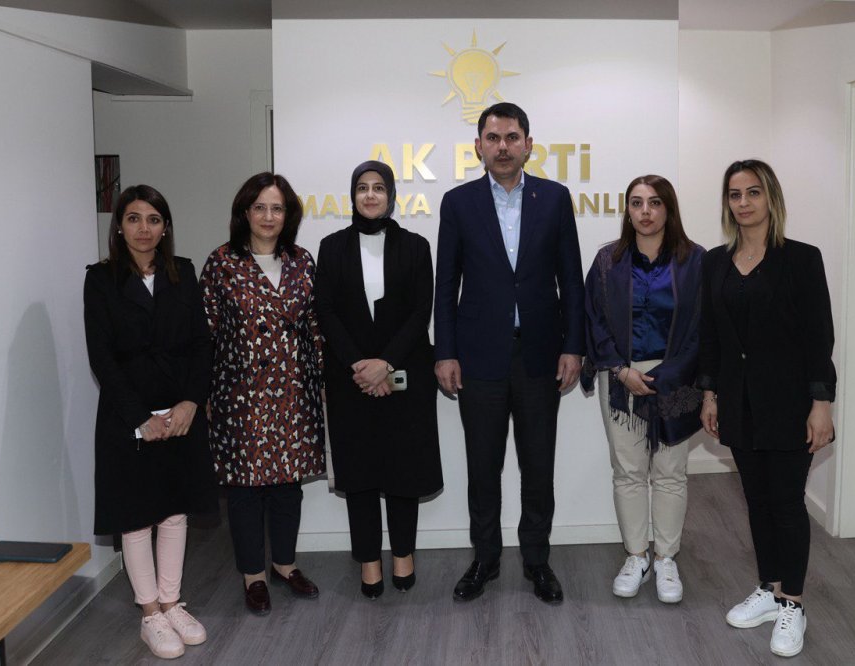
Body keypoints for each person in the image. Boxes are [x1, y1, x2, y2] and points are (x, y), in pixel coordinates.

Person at [434, 102, 585, 605]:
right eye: (493, 137)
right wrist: (445, 352)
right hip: (478, 359)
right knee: (483, 467)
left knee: (538, 467)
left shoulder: (555, 198)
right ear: (478, 145)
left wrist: (574, 346)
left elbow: (572, 280)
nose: (502, 146)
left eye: (512, 137)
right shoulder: (458, 203)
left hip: (541, 356)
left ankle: (537, 560)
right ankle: (485, 558)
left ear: (528, 145)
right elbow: (446, 284)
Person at [697, 159, 836, 658]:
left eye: (753, 192)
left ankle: (793, 603)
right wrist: (710, 393)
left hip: (790, 402)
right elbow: (710, 334)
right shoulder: (715, 262)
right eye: (735, 194)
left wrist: (821, 403)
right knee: (756, 500)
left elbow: (819, 337)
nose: (744, 202)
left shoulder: (801, 259)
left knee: (786, 502)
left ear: (771, 198)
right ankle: (770, 588)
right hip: (738, 401)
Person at [84, 185, 215, 659]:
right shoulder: (101, 279)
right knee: (136, 516)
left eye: (154, 219)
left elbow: (202, 344)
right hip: (128, 414)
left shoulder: (183, 272)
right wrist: (140, 417)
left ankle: (173, 602)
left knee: (175, 510)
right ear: (119, 226)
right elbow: (102, 356)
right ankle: (151, 613)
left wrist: (191, 403)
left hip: (179, 411)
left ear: (165, 227)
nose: (144, 228)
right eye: (134, 218)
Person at [315, 161, 443, 599]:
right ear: (353, 195)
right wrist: (360, 365)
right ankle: (369, 561)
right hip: (350, 378)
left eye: (378, 188)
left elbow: (420, 311)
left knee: (403, 469)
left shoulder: (416, 246)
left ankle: (403, 555)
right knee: (360, 473)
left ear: (391, 196)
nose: (370, 195)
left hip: (404, 374)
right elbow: (326, 312)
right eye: (362, 188)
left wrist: (385, 363)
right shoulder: (331, 247)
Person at [200, 172, 325, 615]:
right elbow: (205, 333)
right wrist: (202, 393)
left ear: (288, 215)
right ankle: (253, 575)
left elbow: (315, 328)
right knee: (245, 491)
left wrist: (327, 382)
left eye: (277, 208)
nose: (268, 216)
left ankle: (285, 566)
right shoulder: (221, 263)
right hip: (240, 396)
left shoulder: (302, 261)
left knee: (289, 486)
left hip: (295, 392)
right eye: (260, 207)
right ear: (245, 212)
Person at [581, 175, 704, 603]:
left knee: (670, 472)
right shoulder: (608, 261)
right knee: (628, 471)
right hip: (621, 379)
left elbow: (702, 326)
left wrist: (672, 372)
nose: (645, 212)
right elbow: (593, 320)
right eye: (636, 203)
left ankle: (666, 557)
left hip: (677, 378)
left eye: (654, 203)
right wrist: (619, 369)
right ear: (628, 210)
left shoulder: (695, 261)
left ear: (669, 208)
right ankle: (637, 556)